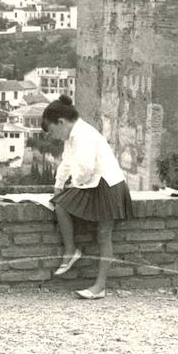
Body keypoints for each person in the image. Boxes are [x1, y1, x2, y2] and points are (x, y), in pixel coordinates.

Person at [42, 96, 133, 299]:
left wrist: (73, 186)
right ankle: (71, 250)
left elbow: (86, 168)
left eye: (53, 131)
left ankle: (99, 286)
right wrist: (58, 186)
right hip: (95, 183)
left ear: (61, 122)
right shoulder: (72, 136)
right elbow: (67, 162)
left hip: (108, 184)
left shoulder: (83, 135)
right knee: (61, 205)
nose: (55, 136)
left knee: (103, 233)